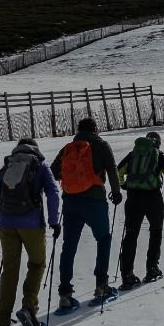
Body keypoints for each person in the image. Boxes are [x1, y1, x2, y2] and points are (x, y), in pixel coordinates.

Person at [0, 137, 61, 326]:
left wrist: (5, 214)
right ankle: (29, 308)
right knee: (37, 264)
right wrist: (54, 221)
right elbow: (53, 193)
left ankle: (2, 324)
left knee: (10, 270)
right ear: (35, 148)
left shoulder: (8, 164)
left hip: (6, 225)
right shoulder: (39, 164)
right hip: (31, 224)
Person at [52, 117, 122, 310]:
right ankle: (101, 286)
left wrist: (71, 177)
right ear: (95, 129)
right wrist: (116, 192)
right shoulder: (101, 145)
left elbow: (54, 172)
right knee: (103, 239)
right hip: (94, 201)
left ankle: (65, 294)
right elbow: (112, 169)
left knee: (69, 247)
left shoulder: (68, 148)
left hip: (70, 201)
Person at [116, 131, 164, 288]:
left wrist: (125, 186)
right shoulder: (161, 156)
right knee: (156, 231)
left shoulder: (133, 154)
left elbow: (118, 172)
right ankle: (152, 268)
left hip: (133, 198)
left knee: (131, 234)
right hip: (153, 198)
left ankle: (127, 274)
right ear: (158, 143)